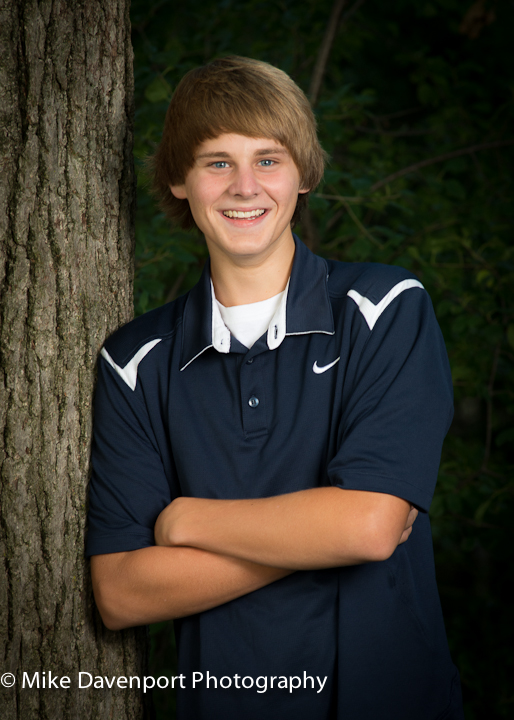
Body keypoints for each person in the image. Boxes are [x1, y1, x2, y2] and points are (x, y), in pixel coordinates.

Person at [87, 56, 464, 720]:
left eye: (268, 159)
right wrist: (327, 535)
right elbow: (121, 592)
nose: (245, 186)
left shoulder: (384, 308)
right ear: (178, 179)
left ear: (304, 173)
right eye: (217, 162)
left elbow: (371, 526)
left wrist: (188, 522)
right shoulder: (134, 362)